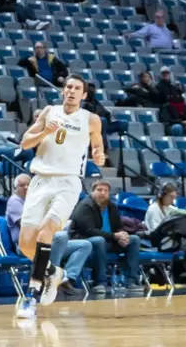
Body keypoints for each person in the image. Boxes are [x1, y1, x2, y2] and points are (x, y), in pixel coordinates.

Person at [9, 75, 107, 317]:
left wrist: (99, 155)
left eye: (77, 89)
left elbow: (97, 145)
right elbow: (24, 143)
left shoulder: (91, 119)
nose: (72, 91)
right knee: (25, 244)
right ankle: (53, 271)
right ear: (63, 91)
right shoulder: (49, 112)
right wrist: (44, 133)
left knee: (45, 233)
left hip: (67, 182)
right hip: (40, 180)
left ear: (84, 95)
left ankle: (31, 297)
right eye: (69, 87)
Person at [58, 179, 140, 292]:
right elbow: (89, 230)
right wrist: (115, 236)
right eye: (99, 190)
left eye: (106, 191)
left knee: (134, 239)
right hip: (86, 242)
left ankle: (131, 281)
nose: (102, 193)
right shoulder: (84, 206)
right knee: (99, 240)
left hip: (110, 240)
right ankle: (100, 283)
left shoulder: (111, 207)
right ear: (92, 192)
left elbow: (118, 226)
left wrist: (123, 235)